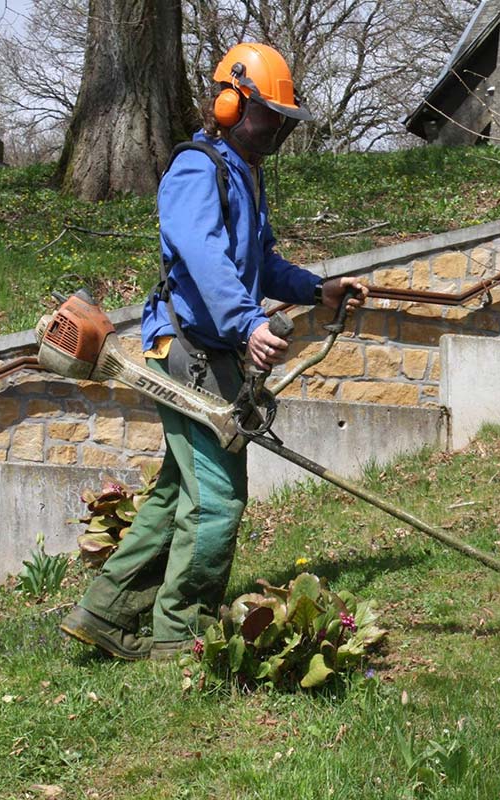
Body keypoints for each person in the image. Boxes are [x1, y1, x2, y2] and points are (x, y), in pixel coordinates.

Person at [60, 42, 368, 660]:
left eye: (285, 117)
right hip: (190, 352)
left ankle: (105, 614)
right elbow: (202, 256)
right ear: (232, 103)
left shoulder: (243, 172)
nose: (279, 128)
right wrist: (249, 322)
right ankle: (182, 631)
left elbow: (259, 263)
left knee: (179, 488)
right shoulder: (198, 168)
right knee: (218, 495)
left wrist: (317, 289)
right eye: (270, 114)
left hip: (208, 348)